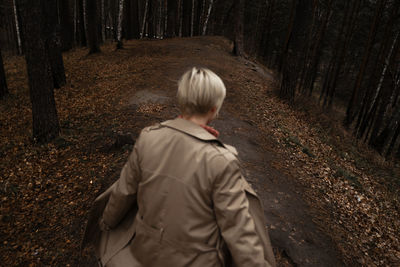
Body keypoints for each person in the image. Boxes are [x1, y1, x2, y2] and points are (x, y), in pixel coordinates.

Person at [82, 67, 276, 267]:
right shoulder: (221, 160)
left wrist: (107, 222)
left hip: (144, 256)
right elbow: (239, 231)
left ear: (181, 100)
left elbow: (124, 191)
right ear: (214, 109)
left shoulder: (148, 138)